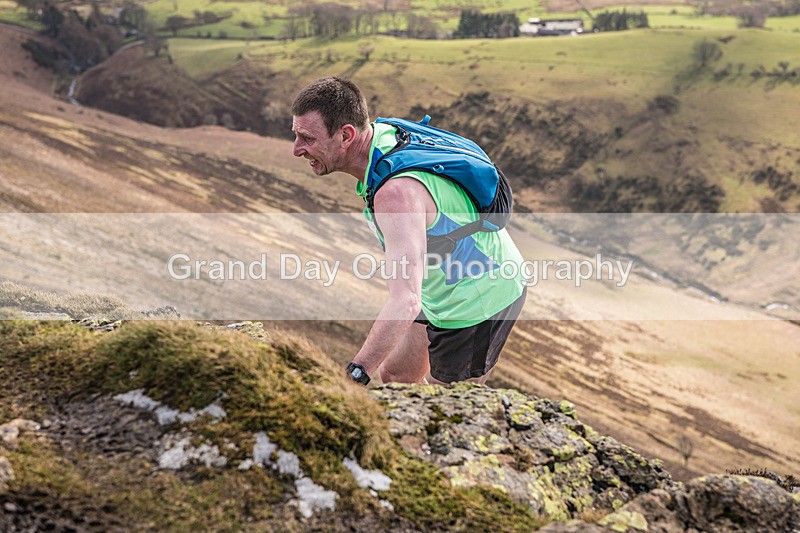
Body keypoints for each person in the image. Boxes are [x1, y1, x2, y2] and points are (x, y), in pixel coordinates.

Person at [291, 76, 527, 386]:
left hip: (481, 297)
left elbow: (405, 300)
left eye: (307, 138)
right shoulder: (384, 136)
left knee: (452, 411)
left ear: (346, 135)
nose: (297, 149)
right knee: (397, 376)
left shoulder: (395, 193)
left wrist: (354, 376)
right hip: (441, 287)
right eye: (296, 135)